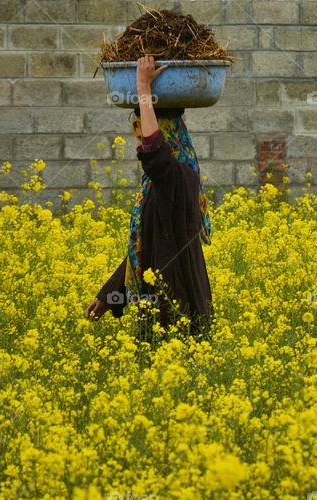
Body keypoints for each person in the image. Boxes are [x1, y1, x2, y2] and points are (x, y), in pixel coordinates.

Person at [85, 56, 213, 339]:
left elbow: (154, 152)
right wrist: (109, 296)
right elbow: (145, 246)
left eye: (139, 131)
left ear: (165, 134)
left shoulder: (178, 177)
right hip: (161, 307)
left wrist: (143, 87)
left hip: (177, 309)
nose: (138, 140)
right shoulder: (158, 185)